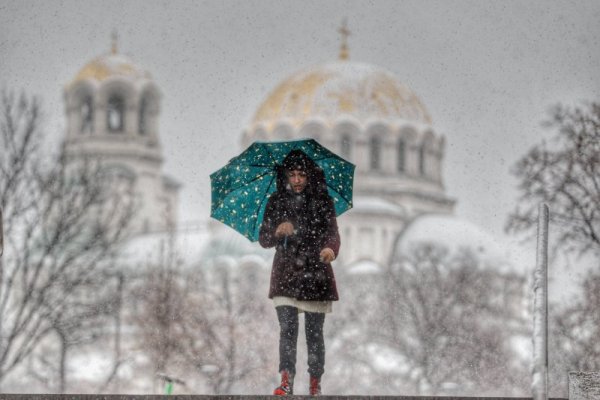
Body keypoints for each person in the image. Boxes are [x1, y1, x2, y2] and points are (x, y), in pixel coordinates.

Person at [259, 149, 340, 396]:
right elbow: (263, 238)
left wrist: (330, 249)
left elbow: (333, 234)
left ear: (309, 176)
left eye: (301, 175)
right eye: (292, 175)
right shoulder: (275, 201)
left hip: (316, 273)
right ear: (285, 176)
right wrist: (278, 231)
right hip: (286, 274)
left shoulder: (324, 201)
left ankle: (315, 383)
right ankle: (286, 381)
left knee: (314, 334)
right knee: (288, 329)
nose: (296, 180)